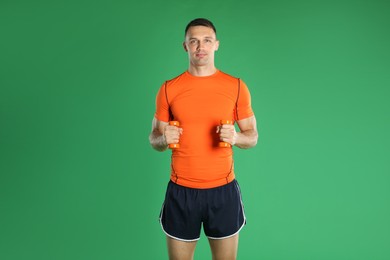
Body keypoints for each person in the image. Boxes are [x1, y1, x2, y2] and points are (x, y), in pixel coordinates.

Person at [149, 18, 258, 260]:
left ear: (216, 45)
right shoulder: (169, 89)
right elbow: (154, 139)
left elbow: (253, 136)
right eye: (194, 41)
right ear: (185, 46)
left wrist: (237, 136)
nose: (201, 46)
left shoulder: (236, 86)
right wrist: (163, 139)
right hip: (181, 191)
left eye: (207, 40)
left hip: (223, 191)